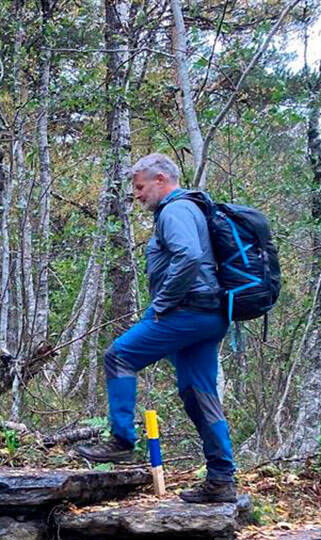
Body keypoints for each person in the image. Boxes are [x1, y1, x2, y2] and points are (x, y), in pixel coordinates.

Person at [75, 153, 238, 503]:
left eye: (140, 186)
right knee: (199, 395)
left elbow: (189, 256)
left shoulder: (175, 210)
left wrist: (162, 305)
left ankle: (121, 441)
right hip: (210, 315)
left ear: (161, 179)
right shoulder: (193, 208)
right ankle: (222, 479)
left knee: (119, 357)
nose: (137, 194)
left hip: (187, 312)